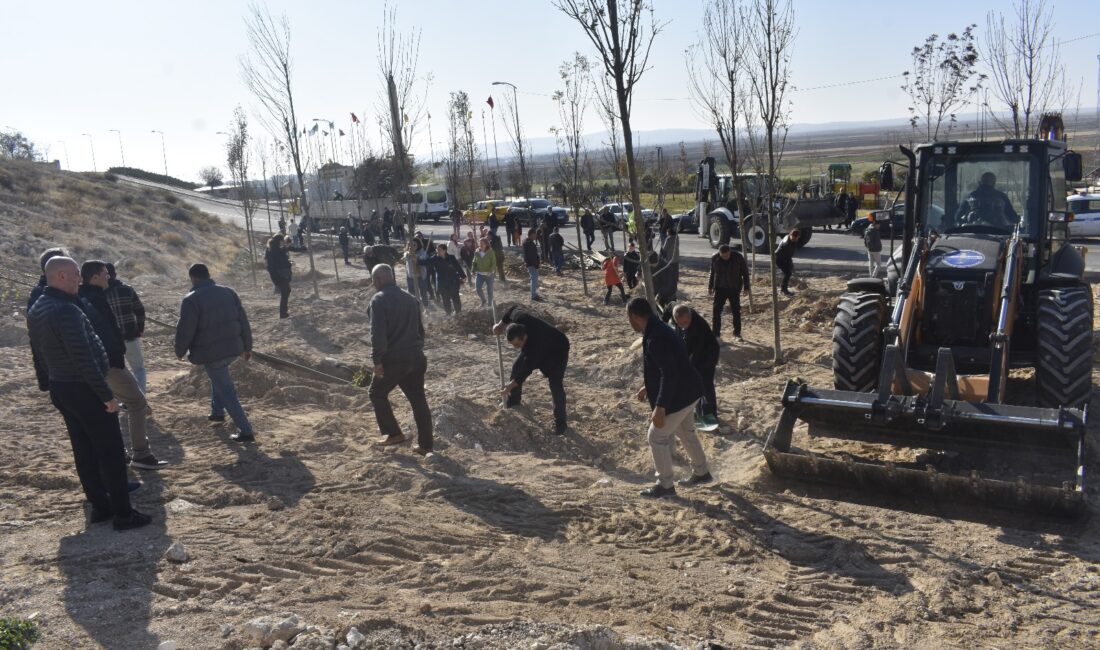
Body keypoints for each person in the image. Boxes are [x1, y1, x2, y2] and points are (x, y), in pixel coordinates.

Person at [27, 257, 151, 530]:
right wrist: (106, 395)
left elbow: (41, 354)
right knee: (110, 451)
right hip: (82, 388)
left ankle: (101, 507)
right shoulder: (65, 311)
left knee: (83, 449)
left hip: (62, 386)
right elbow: (84, 358)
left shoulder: (39, 307)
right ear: (60, 276)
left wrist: (52, 380)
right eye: (74, 275)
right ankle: (123, 514)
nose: (79, 279)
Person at [79, 260, 167, 470]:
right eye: (104, 273)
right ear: (95, 277)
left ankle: (122, 454)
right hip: (110, 362)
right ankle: (141, 454)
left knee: (110, 407)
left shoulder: (86, 297)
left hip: (102, 362)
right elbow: (103, 333)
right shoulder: (93, 299)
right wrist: (115, 357)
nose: (108, 276)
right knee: (137, 402)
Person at [626, 297, 711, 498]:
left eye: (628, 318)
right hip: (690, 390)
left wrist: (661, 406)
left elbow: (669, 372)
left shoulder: (656, 337)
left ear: (635, 317)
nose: (628, 322)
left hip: (680, 394)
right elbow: (671, 364)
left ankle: (665, 485)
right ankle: (702, 472)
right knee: (685, 432)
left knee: (656, 436)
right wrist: (648, 386)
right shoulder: (659, 328)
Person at [174, 263, 255, 442]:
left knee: (227, 391)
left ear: (193, 278)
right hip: (233, 349)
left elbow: (185, 329)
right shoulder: (229, 292)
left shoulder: (191, 299)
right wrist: (247, 347)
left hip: (211, 353)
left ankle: (246, 430)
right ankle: (217, 413)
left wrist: (180, 350)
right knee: (218, 379)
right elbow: (243, 321)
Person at [368, 264, 433, 454]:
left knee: (376, 393)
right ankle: (426, 445)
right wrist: (416, 350)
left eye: (373, 280)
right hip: (416, 357)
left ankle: (394, 433)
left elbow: (377, 334)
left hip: (394, 359)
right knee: (418, 399)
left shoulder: (378, 300)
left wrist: (377, 360)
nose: (373, 284)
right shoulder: (411, 298)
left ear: (378, 280)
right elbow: (421, 331)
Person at [493, 305, 570, 435]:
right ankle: (514, 401)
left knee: (555, 384)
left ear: (525, 337)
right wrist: (500, 325)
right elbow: (512, 309)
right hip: (541, 344)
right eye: (513, 345)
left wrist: (509, 387)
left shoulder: (533, 349)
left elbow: (525, 372)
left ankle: (560, 423)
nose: (516, 348)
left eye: (518, 345)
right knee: (516, 366)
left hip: (558, 350)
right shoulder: (521, 318)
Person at [672, 304, 720, 430]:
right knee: (696, 388)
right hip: (695, 353)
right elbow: (683, 343)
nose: (683, 326)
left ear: (690, 317)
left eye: (685, 322)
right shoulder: (680, 319)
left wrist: (687, 368)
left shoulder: (698, 326)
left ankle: (711, 420)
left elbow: (697, 352)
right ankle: (700, 417)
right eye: (680, 323)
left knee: (706, 388)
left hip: (708, 356)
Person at [104, 263, 148, 393]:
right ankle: (141, 399)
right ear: (115, 274)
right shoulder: (127, 289)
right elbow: (140, 310)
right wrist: (140, 328)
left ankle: (121, 401)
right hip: (130, 335)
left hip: (110, 340)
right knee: (138, 369)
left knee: (113, 372)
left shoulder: (99, 294)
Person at [708, 244, 751, 341]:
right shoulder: (715, 258)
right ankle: (716, 334)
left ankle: (737, 333)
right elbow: (712, 273)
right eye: (723, 256)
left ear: (730, 252)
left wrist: (746, 287)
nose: (725, 257)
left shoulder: (738, 257)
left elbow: (745, 273)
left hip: (734, 288)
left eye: (727, 255)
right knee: (716, 311)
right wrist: (710, 286)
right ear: (720, 253)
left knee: (736, 311)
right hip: (720, 288)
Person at [429, 243, 466, 315]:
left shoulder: (451, 258)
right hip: (442, 283)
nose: (437, 251)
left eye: (439, 250)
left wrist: (463, 276)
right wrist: (417, 261)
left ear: (444, 250)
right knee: (445, 300)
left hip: (453, 282)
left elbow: (458, 267)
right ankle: (448, 314)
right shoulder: (435, 258)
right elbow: (425, 262)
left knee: (455, 298)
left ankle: (458, 313)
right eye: (437, 249)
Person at [265, 234, 293, 319]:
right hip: (280, 275)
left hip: (275, 275)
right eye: (282, 241)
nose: (283, 243)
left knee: (286, 291)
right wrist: (289, 264)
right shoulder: (277, 251)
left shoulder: (270, 249)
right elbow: (283, 262)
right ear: (279, 241)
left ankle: (284, 312)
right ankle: (283, 313)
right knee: (286, 292)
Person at [471, 237, 497, 307]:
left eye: (482, 243)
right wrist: (473, 270)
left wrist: (491, 271)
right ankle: (483, 300)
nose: (481, 245)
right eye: (480, 243)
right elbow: (474, 262)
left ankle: (489, 305)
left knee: (490, 290)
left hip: (489, 275)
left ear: (486, 244)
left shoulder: (491, 252)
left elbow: (494, 263)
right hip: (479, 274)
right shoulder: (477, 252)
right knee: (478, 288)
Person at [775, 229, 800, 296]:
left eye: (797, 238)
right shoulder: (787, 244)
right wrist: (790, 264)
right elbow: (786, 255)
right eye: (796, 238)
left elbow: (789, 254)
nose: (797, 239)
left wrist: (790, 264)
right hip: (779, 258)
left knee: (789, 272)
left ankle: (784, 288)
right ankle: (783, 290)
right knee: (788, 273)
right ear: (792, 235)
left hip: (785, 257)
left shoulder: (790, 239)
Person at [523, 227, 545, 302]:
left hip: (532, 264)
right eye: (535, 234)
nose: (536, 236)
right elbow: (531, 256)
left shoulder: (528, 242)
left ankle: (534, 294)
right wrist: (536, 264)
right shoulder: (528, 243)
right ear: (532, 234)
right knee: (534, 279)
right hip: (532, 264)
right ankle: (533, 295)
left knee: (534, 279)